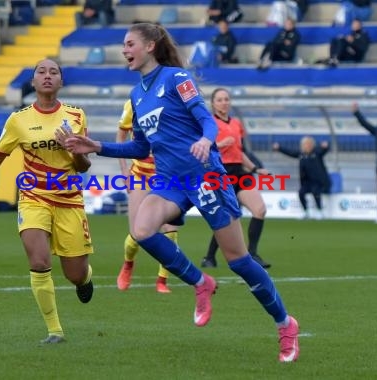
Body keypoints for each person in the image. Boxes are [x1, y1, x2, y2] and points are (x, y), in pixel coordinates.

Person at [62, 22, 299, 362]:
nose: (124, 49)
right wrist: (96, 145)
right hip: (170, 179)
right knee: (141, 229)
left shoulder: (176, 78)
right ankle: (200, 282)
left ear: (151, 46)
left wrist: (205, 140)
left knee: (239, 260)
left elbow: (206, 119)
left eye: (130, 43)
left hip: (204, 175)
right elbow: (141, 147)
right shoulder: (137, 94)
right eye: (123, 45)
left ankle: (285, 323)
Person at [0, 58, 95, 344]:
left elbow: (83, 167)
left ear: (61, 81)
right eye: (41, 72)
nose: (47, 76)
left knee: (74, 274)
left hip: (69, 200)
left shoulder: (76, 116)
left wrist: (75, 150)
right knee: (39, 261)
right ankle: (54, 331)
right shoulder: (18, 120)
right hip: (33, 198)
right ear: (33, 82)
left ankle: (85, 278)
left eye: (53, 72)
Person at [201, 88, 271, 269]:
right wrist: (219, 145)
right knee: (227, 218)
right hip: (221, 172)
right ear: (213, 103)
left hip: (239, 172)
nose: (224, 102)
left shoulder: (237, 124)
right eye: (219, 100)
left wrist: (255, 169)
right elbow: (201, 151)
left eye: (226, 99)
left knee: (260, 209)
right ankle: (209, 257)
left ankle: (253, 253)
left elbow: (239, 152)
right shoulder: (208, 124)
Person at [116, 99, 176, 294]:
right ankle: (128, 264)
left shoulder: (174, 103)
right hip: (140, 176)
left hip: (168, 177)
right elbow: (121, 134)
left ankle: (162, 280)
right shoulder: (133, 103)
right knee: (136, 235)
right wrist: (124, 171)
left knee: (171, 231)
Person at [273, 137, 331, 220]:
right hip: (306, 182)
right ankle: (306, 211)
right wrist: (279, 148)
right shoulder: (301, 154)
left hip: (318, 181)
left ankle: (320, 211)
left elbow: (324, 150)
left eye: (308, 144)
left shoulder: (317, 152)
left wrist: (326, 146)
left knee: (316, 192)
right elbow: (290, 152)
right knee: (301, 193)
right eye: (304, 144)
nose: (306, 146)